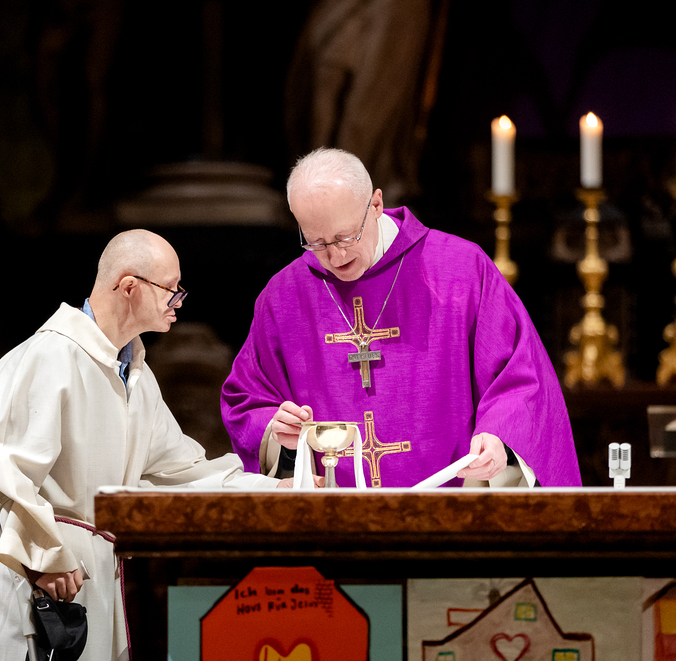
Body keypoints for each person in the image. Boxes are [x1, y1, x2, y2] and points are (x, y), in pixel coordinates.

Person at [0, 229, 291, 661]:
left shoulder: (136, 377)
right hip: (35, 575)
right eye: (171, 289)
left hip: (91, 574)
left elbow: (183, 471)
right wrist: (44, 556)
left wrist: (276, 490)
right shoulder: (50, 357)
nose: (178, 301)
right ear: (129, 287)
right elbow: (0, 471)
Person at [221, 148, 581, 488]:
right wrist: (275, 428)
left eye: (346, 237)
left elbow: (521, 377)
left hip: (451, 508)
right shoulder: (285, 296)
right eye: (317, 242)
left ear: (376, 204)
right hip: (333, 514)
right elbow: (248, 399)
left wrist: (499, 435)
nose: (336, 255)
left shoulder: (460, 271)